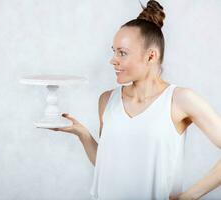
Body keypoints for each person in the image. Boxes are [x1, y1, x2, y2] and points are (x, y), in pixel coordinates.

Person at [45, 0, 221, 199]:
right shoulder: (107, 100)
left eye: (122, 53)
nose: (113, 60)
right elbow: (108, 165)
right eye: (114, 51)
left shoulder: (180, 100)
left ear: (151, 56)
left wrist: (188, 196)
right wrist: (83, 134)